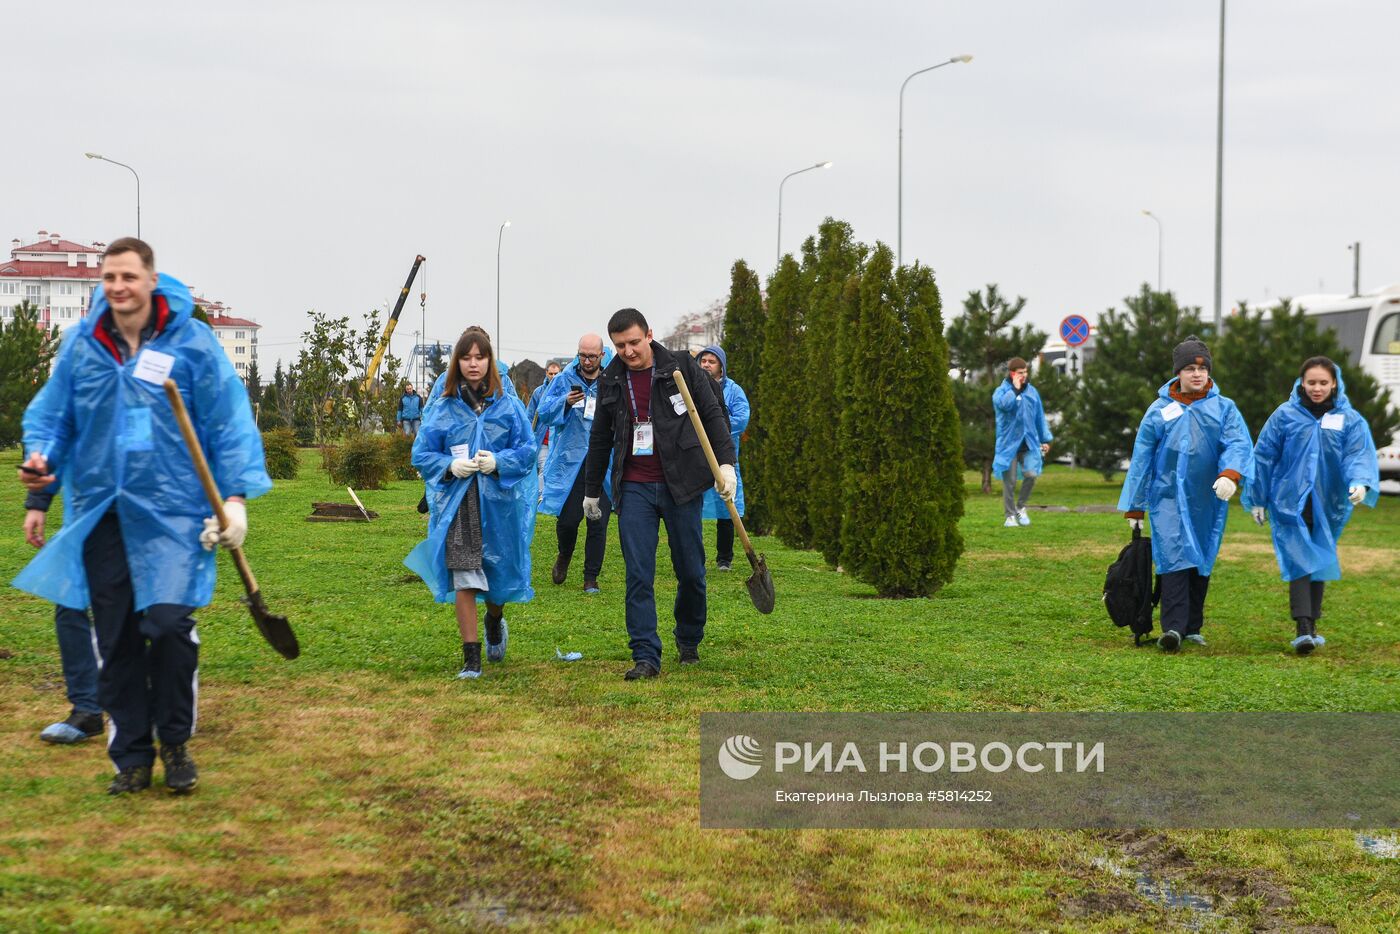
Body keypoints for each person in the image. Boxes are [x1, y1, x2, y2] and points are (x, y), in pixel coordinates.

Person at [15, 237, 270, 794]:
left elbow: (228, 424)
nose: (118, 287)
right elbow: (56, 419)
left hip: (176, 516)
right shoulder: (82, 345)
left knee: (171, 627)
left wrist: (233, 500)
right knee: (118, 638)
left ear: (151, 280)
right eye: (109, 278)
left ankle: (174, 739)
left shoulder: (192, 344)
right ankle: (131, 756)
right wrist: (42, 464)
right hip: (103, 511)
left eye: (128, 276)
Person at [582, 309, 735, 679]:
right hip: (634, 487)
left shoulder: (680, 367)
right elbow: (600, 439)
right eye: (620, 346)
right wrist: (591, 491)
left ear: (649, 334)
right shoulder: (612, 381)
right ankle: (646, 654)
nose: (629, 351)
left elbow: (713, 415)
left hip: (680, 483)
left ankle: (689, 637)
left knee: (692, 571)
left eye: (634, 342)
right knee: (638, 572)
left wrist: (726, 464)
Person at [405, 326, 538, 680]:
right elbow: (421, 452)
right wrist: (449, 465)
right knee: (465, 577)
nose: (474, 363)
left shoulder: (508, 407)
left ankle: (494, 620)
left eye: (480, 357)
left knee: (496, 577)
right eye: (467, 357)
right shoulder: (444, 407)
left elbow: (528, 450)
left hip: (498, 505)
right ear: (457, 362)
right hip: (460, 506)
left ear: (490, 361)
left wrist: (500, 462)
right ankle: (471, 656)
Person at [1117, 336, 1252, 652]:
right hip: (1166, 499)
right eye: (1190, 368)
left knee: (1200, 559)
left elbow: (1238, 444)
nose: (1196, 374)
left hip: (1208, 499)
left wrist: (1230, 474)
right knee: (1174, 557)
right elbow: (1142, 459)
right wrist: (1134, 507)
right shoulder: (1160, 410)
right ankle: (1174, 628)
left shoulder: (1224, 409)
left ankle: (1192, 626)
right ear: (1178, 372)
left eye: (1202, 369)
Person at [1242, 356, 1379, 655]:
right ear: (1302, 383)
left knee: (1318, 558)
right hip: (1290, 501)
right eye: (1311, 382)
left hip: (1328, 503)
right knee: (1300, 560)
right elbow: (1264, 456)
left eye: (1323, 383)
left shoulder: (1349, 419)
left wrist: (1360, 481)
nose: (1317, 388)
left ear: (1334, 384)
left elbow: (1357, 455)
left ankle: (1311, 624)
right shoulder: (1284, 415)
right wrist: (1257, 497)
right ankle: (1304, 627)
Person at [23, 488, 102, 744]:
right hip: (86, 514)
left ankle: (161, 706)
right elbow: (53, 448)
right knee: (69, 602)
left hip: (146, 516)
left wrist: (232, 499)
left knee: (155, 615)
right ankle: (87, 708)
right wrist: (38, 502)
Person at [537, 336, 614, 593]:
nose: (587, 361)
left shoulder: (612, 381)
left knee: (598, 521)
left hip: (603, 462)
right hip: (571, 464)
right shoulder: (563, 380)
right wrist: (565, 403)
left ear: (602, 355)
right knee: (568, 521)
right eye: (583, 355)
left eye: (593, 356)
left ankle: (591, 578)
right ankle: (564, 553)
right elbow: (544, 413)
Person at [696, 345, 749, 570]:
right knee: (691, 505)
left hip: (723, 456)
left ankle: (724, 558)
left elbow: (741, 418)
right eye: (703, 360)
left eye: (712, 361)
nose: (706, 364)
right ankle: (692, 555)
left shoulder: (734, 391)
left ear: (721, 367)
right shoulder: (692, 387)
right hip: (696, 456)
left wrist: (716, 430)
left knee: (727, 503)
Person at [992, 357, 1053, 528]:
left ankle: (1020, 507)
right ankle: (1010, 515)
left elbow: (1039, 417)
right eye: (1020, 373)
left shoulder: (1032, 392)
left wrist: (1045, 439)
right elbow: (1004, 406)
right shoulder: (1001, 392)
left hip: (1029, 443)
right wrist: (1015, 390)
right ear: (1012, 374)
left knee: (1031, 475)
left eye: (1025, 372)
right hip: (1008, 445)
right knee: (1009, 481)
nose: (1024, 375)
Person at [525, 361, 563, 477]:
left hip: (559, 440)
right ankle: (542, 494)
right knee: (543, 468)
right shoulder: (539, 392)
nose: (553, 377)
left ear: (560, 372)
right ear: (546, 373)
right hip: (543, 440)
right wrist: (529, 436)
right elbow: (530, 416)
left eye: (556, 373)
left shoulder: (565, 391)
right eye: (551, 373)